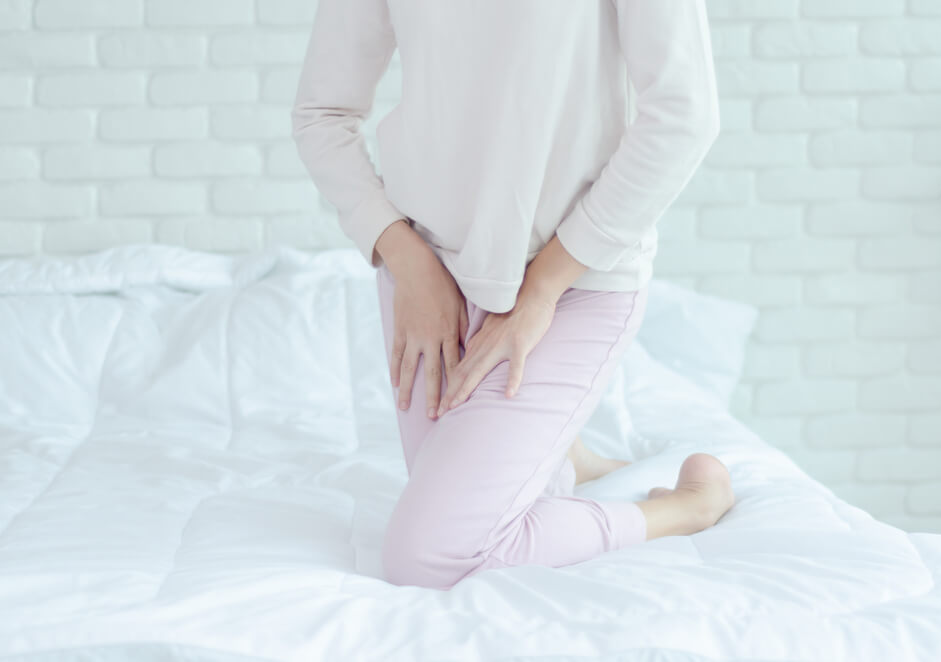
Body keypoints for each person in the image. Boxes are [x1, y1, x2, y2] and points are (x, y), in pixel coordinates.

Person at [291, 0, 735, 591]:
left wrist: (543, 289)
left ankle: (685, 508)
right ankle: (565, 455)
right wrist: (406, 258)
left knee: (429, 554)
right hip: (430, 289)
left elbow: (685, 115)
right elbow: (322, 112)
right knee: (461, 515)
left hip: (571, 283)